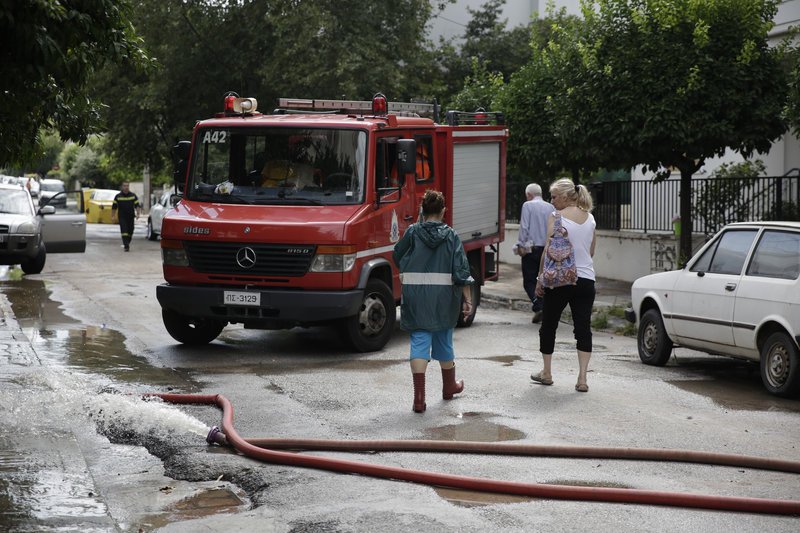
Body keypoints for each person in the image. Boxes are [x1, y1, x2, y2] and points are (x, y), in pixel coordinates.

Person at [393, 189, 474, 413]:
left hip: (417, 297)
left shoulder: (412, 232)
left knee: (419, 341)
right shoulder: (451, 236)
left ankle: (419, 398)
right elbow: (460, 270)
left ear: (422, 210)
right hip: (444, 299)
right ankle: (449, 387)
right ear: (443, 211)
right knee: (444, 342)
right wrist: (467, 298)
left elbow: (397, 255)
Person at [530, 178, 596, 393]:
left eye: (555, 196)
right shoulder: (591, 218)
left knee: (549, 324)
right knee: (583, 327)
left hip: (560, 279)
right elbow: (591, 251)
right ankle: (582, 378)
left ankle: (547, 372)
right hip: (586, 279)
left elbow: (548, 249)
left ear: (567, 196)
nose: (552, 200)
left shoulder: (556, 217)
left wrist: (540, 278)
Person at [513, 183, 554, 324]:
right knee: (543, 279)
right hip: (547, 249)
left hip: (532, 249)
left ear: (529, 195)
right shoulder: (551, 207)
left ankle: (538, 305)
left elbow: (524, 227)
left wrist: (520, 245)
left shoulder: (527, 205)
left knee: (529, 281)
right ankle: (544, 307)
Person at [111, 182, 142, 252]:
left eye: (127, 186)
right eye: (124, 186)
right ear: (122, 187)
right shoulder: (118, 196)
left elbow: (137, 205)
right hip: (122, 217)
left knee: (130, 231)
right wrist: (112, 216)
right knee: (124, 231)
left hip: (131, 217)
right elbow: (114, 207)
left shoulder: (133, 196)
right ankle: (126, 246)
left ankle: (127, 242)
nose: (126, 187)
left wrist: (138, 214)